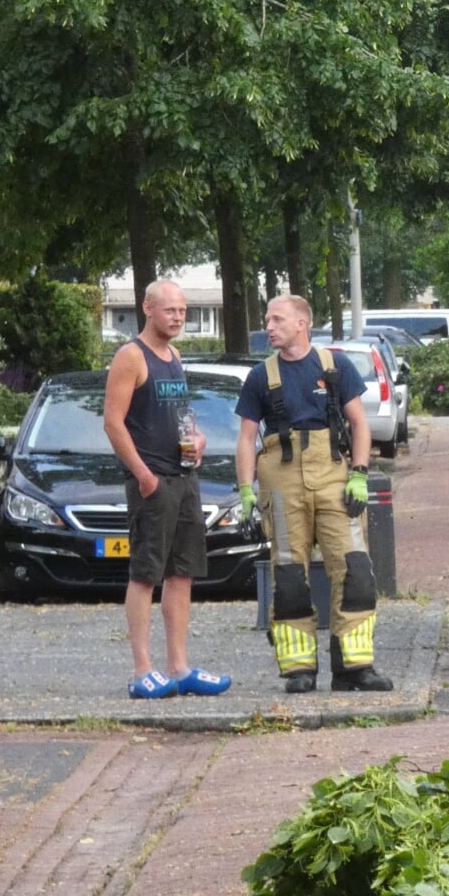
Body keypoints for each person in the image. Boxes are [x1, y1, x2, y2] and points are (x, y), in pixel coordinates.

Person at [234, 295, 393, 694]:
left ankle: (354, 667)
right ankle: (298, 669)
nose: (268, 326)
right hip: (282, 483)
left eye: (277, 319)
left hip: (334, 478)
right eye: (267, 319)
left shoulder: (334, 367)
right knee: (289, 577)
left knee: (355, 569)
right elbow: (246, 438)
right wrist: (246, 492)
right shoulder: (259, 377)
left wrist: (359, 475)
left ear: (302, 323)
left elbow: (359, 424)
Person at [100, 281, 232, 699]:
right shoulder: (130, 357)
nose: (177, 317)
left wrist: (199, 438)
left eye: (183, 310)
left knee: (182, 572)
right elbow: (112, 422)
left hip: (185, 477)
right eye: (170, 310)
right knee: (145, 574)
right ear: (148, 309)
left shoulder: (174, 357)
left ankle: (179, 666)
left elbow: (179, 416)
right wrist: (142, 474)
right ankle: (143, 669)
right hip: (152, 482)